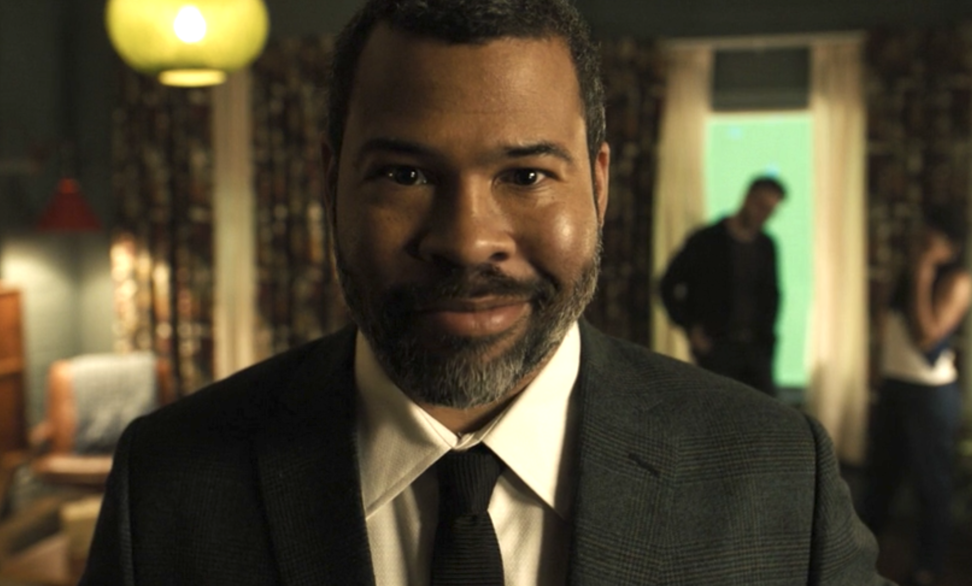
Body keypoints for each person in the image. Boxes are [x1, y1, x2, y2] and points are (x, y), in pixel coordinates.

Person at [80, 1, 890, 584]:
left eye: (527, 175)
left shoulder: (778, 475)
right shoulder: (169, 485)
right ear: (330, 182)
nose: (467, 242)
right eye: (405, 175)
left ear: (599, 186)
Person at [860, 205, 971, 586]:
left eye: (928, 241)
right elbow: (886, 326)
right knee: (880, 480)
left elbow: (926, 339)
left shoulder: (957, 281)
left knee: (931, 485)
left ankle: (927, 567)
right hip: (895, 387)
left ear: (950, 246)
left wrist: (923, 276)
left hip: (931, 395)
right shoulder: (904, 272)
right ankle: (857, 557)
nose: (919, 246)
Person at [659, 177, 785, 397]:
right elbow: (667, 285)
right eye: (761, 206)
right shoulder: (706, 241)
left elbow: (771, 296)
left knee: (765, 410)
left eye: (770, 211)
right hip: (716, 347)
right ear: (748, 198)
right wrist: (691, 327)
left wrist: (768, 341)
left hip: (756, 350)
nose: (763, 215)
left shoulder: (766, 246)